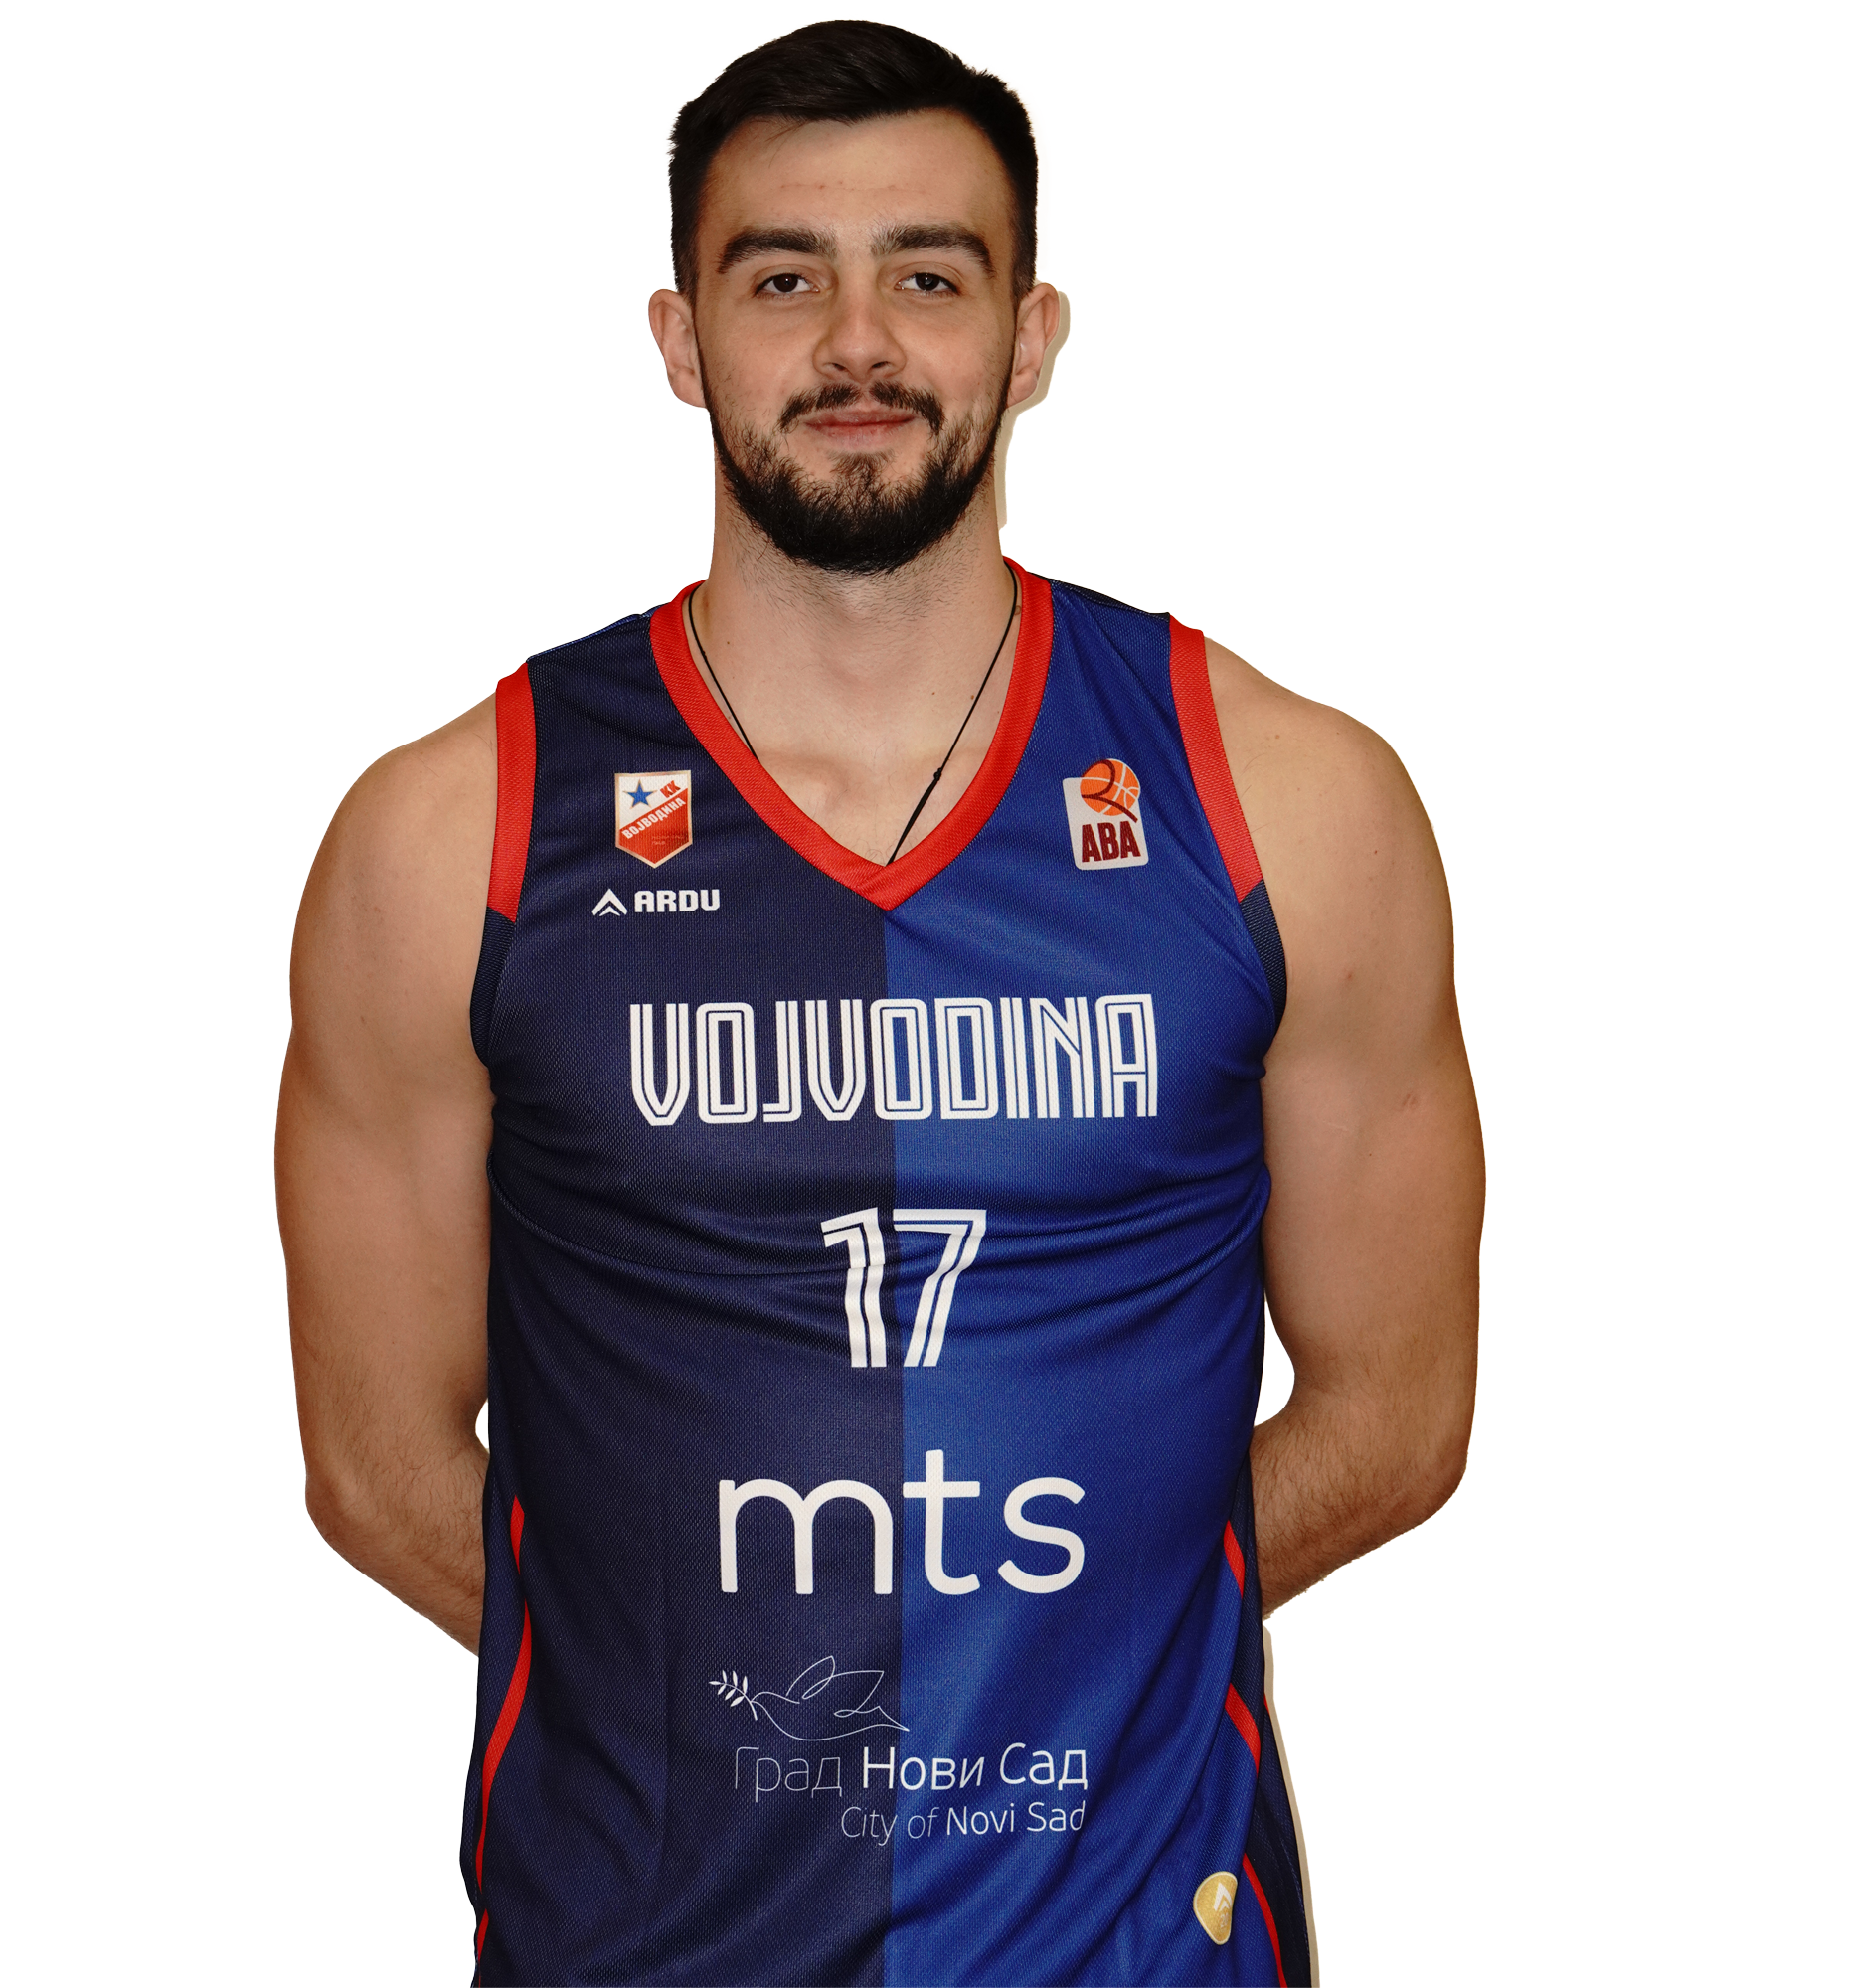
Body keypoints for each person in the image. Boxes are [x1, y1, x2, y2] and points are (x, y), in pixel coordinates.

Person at [276, 20, 1483, 1986]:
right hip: (641, 1947)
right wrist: (702, 1674)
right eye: (783, 280)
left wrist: (1067, 1644)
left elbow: (1398, 1412)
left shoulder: (1284, 801)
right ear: (681, 340)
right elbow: (374, 1462)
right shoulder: (451, 836)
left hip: (1133, 1947)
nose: (857, 343)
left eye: (928, 276)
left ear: (1031, 336)